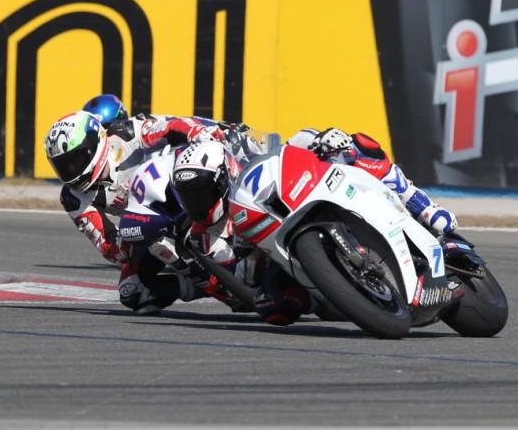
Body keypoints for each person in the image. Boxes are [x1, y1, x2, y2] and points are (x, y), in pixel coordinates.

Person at [171, 128, 459, 325]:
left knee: (359, 146)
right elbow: (240, 284)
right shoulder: (206, 237)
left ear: (224, 174)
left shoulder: (247, 156)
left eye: (201, 191)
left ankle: (424, 207)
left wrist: (322, 138)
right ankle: (343, 297)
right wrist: (246, 265)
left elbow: (291, 144)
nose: (197, 201)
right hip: (282, 260)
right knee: (273, 309)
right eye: (188, 196)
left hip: (307, 193)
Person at [44, 94, 247, 314]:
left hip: (185, 185)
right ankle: (212, 288)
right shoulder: (73, 198)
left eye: (74, 161)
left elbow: (172, 126)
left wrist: (201, 132)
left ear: (92, 146)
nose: (70, 171)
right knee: (132, 291)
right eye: (62, 166)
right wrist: (126, 239)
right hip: (151, 220)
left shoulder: (126, 133)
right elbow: (107, 245)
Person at [288, 128, 458, 235]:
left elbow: (324, 137)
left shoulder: (298, 141)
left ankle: (423, 206)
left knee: (360, 145)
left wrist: (327, 140)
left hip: (340, 181)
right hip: (307, 203)